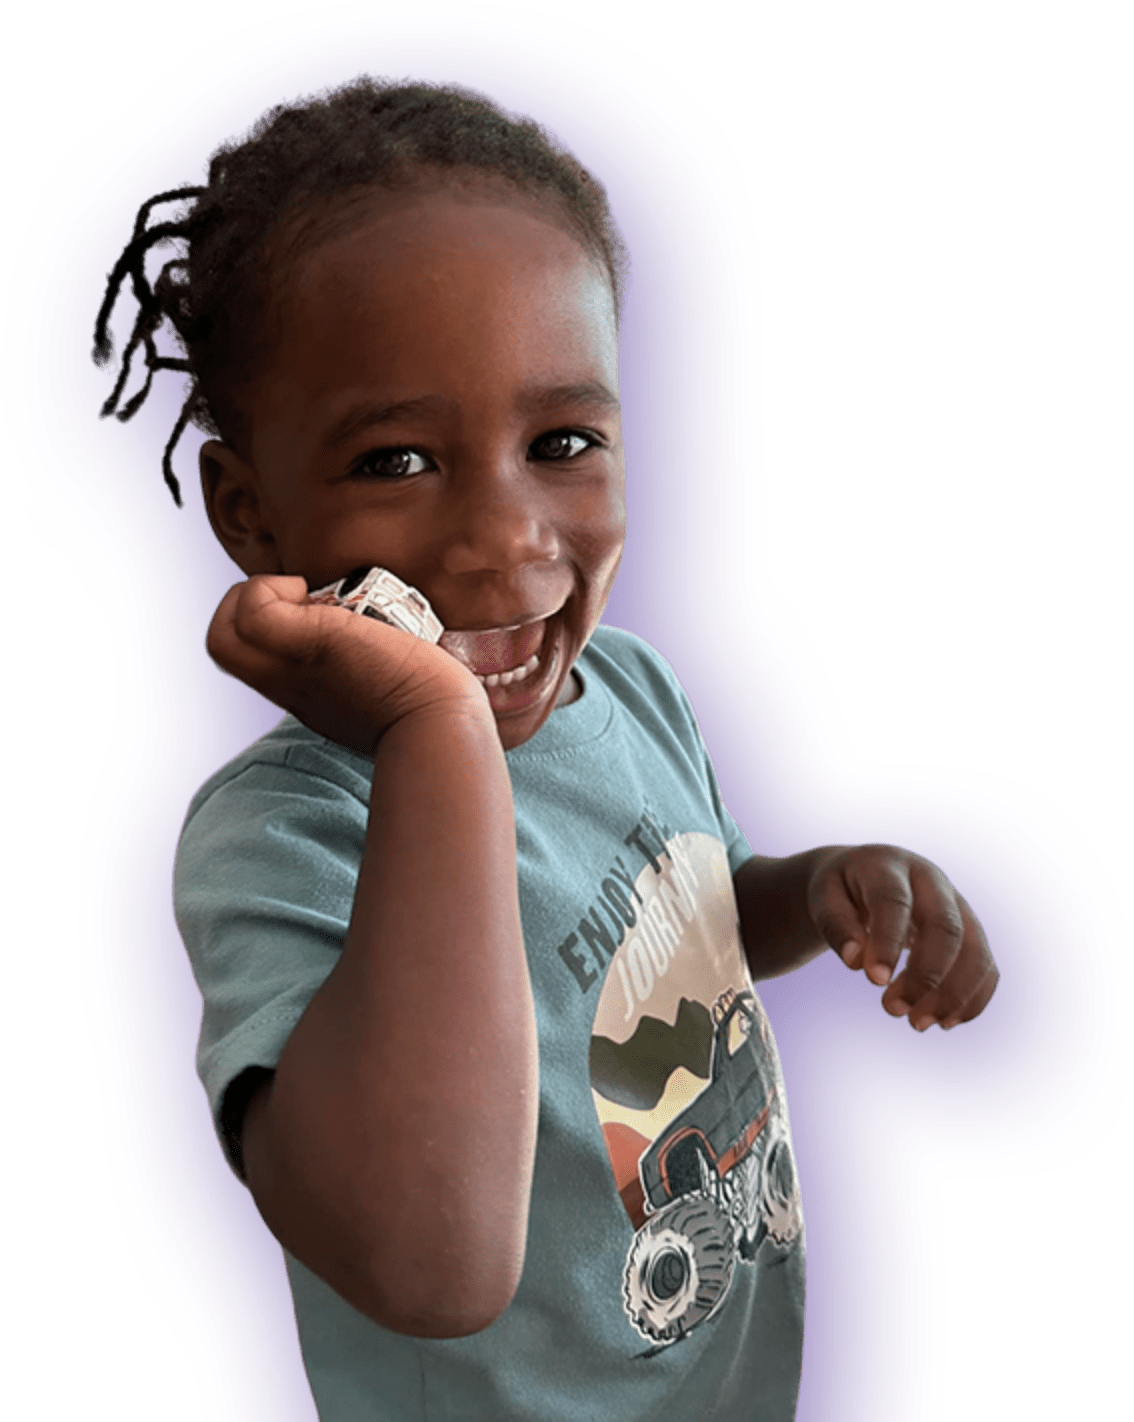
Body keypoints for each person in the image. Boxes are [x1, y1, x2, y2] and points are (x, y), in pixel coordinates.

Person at [91, 76, 998, 1421]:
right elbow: (431, 1262)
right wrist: (434, 732)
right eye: (396, 461)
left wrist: (812, 890)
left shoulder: (627, 685)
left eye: (562, 441)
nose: (508, 539)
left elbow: (673, 928)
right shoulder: (277, 836)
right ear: (249, 510)